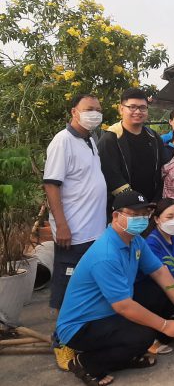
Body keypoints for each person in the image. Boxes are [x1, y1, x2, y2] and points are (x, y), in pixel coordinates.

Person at [56, 191, 174, 386]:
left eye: (144, 214)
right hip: (82, 325)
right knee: (145, 335)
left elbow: (159, 271)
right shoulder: (106, 254)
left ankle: (123, 355)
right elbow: (123, 306)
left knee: (158, 296)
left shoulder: (135, 240)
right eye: (135, 215)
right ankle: (86, 363)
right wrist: (166, 326)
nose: (141, 219)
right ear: (116, 216)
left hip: (109, 313)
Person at [43, 94, 107, 310]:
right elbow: (52, 184)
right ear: (74, 112)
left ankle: (83, 331)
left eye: (98, 110)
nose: (95, 114)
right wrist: (61, 225)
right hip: (74, 231)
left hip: (94, 229)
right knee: (68, 286)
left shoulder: (90, 139)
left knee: (87, 286)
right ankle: (62, 338)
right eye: (89, 109)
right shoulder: (62, 141)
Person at [132, 198, 174, 355]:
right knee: (157, 291)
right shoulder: (150, 243)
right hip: (152, 292)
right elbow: (162, 274)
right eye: (169, 217)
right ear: (157, 219)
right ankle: (151, 336)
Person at [97, 88, 166, 213]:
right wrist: (137, 203)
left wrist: (156, 201)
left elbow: (163, 169)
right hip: (124, 209)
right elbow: (112, 177)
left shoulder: (154, 138)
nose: (138, 112)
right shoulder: (111, 139)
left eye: (142, 108)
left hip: (152, 206)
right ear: (121, 109)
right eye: (132, 107)